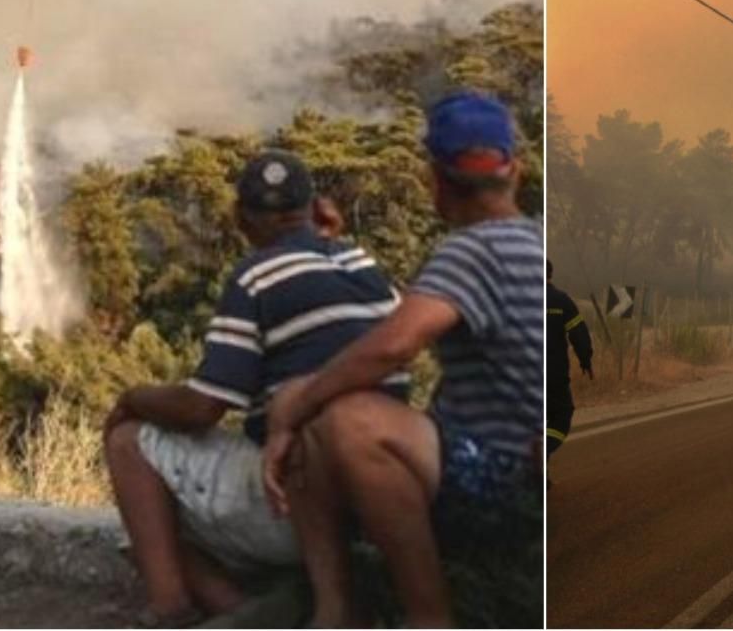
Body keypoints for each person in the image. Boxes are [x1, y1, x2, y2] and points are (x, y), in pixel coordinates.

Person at [262, 91, 542, 628]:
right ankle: (334, 614)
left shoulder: (473, 249)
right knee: (324, 425)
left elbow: (393, 344)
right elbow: (409, 312)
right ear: (515, 170)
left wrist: (292, 408)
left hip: (501, 478)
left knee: (346, 421)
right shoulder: (535, 240)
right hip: (521, 461)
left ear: (432, 179)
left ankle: (426, 616)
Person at [102, 150, 408, 627]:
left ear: (242, 218)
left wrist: (131, 399)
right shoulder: (361, 262)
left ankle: (171, 608)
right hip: (379, 501)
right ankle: (246, 609)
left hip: (296, 504)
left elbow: (205, 406)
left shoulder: (255, 278)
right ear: (314, 207)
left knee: (129, 446)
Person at [546, 259, 593, 461]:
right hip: (553, 374)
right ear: (550, 274)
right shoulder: (561, 300)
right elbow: (579, 334)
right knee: (561, 415)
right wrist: (586, 360)